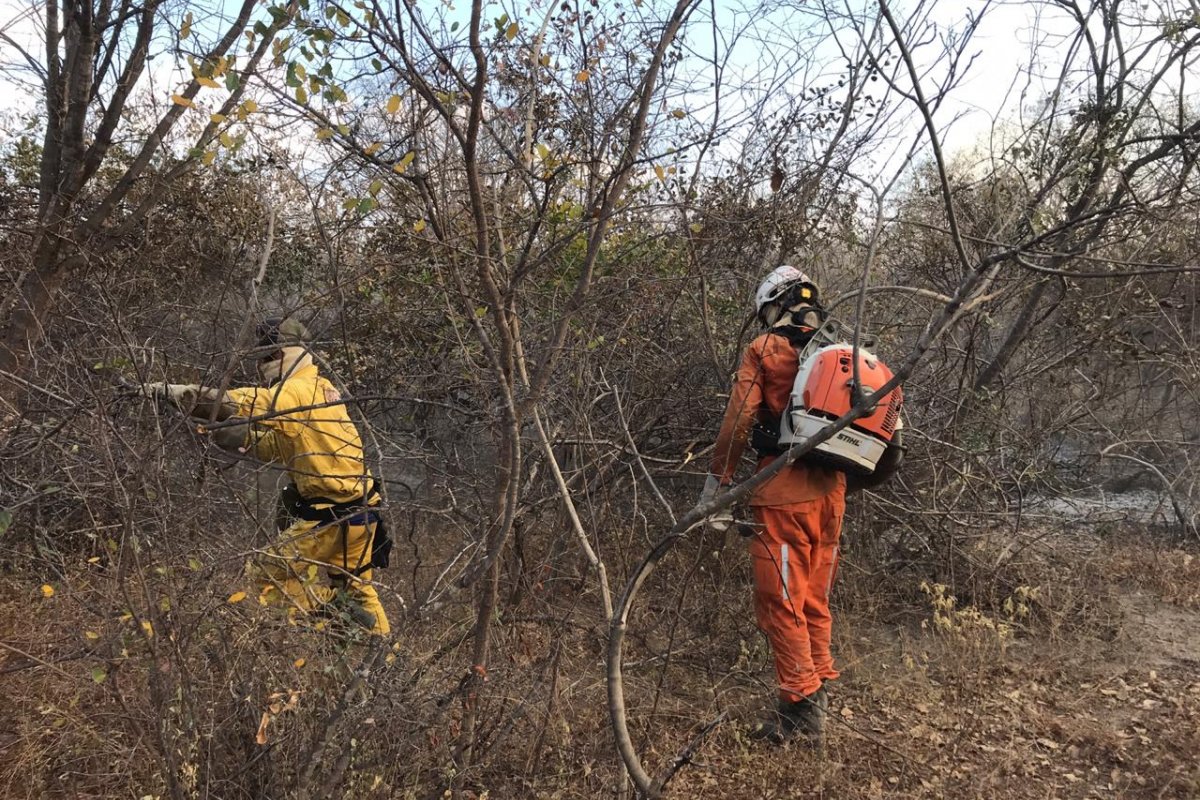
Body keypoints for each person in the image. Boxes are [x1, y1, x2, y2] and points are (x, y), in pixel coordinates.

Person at [697, 265, 866, 746]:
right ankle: (815, 699)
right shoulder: (844, 352)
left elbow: (738, 420)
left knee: (781, 604)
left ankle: (800, 714)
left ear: (774, 304)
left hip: (782, 492)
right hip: (833, 492)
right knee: (813, 599)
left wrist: (718, 484)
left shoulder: (765, 349)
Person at [142, 316, 391, 636]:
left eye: (268, 354)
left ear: (282, 354)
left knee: (263, 576)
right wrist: (235, 436)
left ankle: (337, 608)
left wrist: (173, 392)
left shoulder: (295, 392)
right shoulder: (322, 387)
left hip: (330, 520)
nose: (263, 362)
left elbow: (243, 402)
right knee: (361, 591)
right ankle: (386, 659)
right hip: (364, 516)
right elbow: (287, 444)